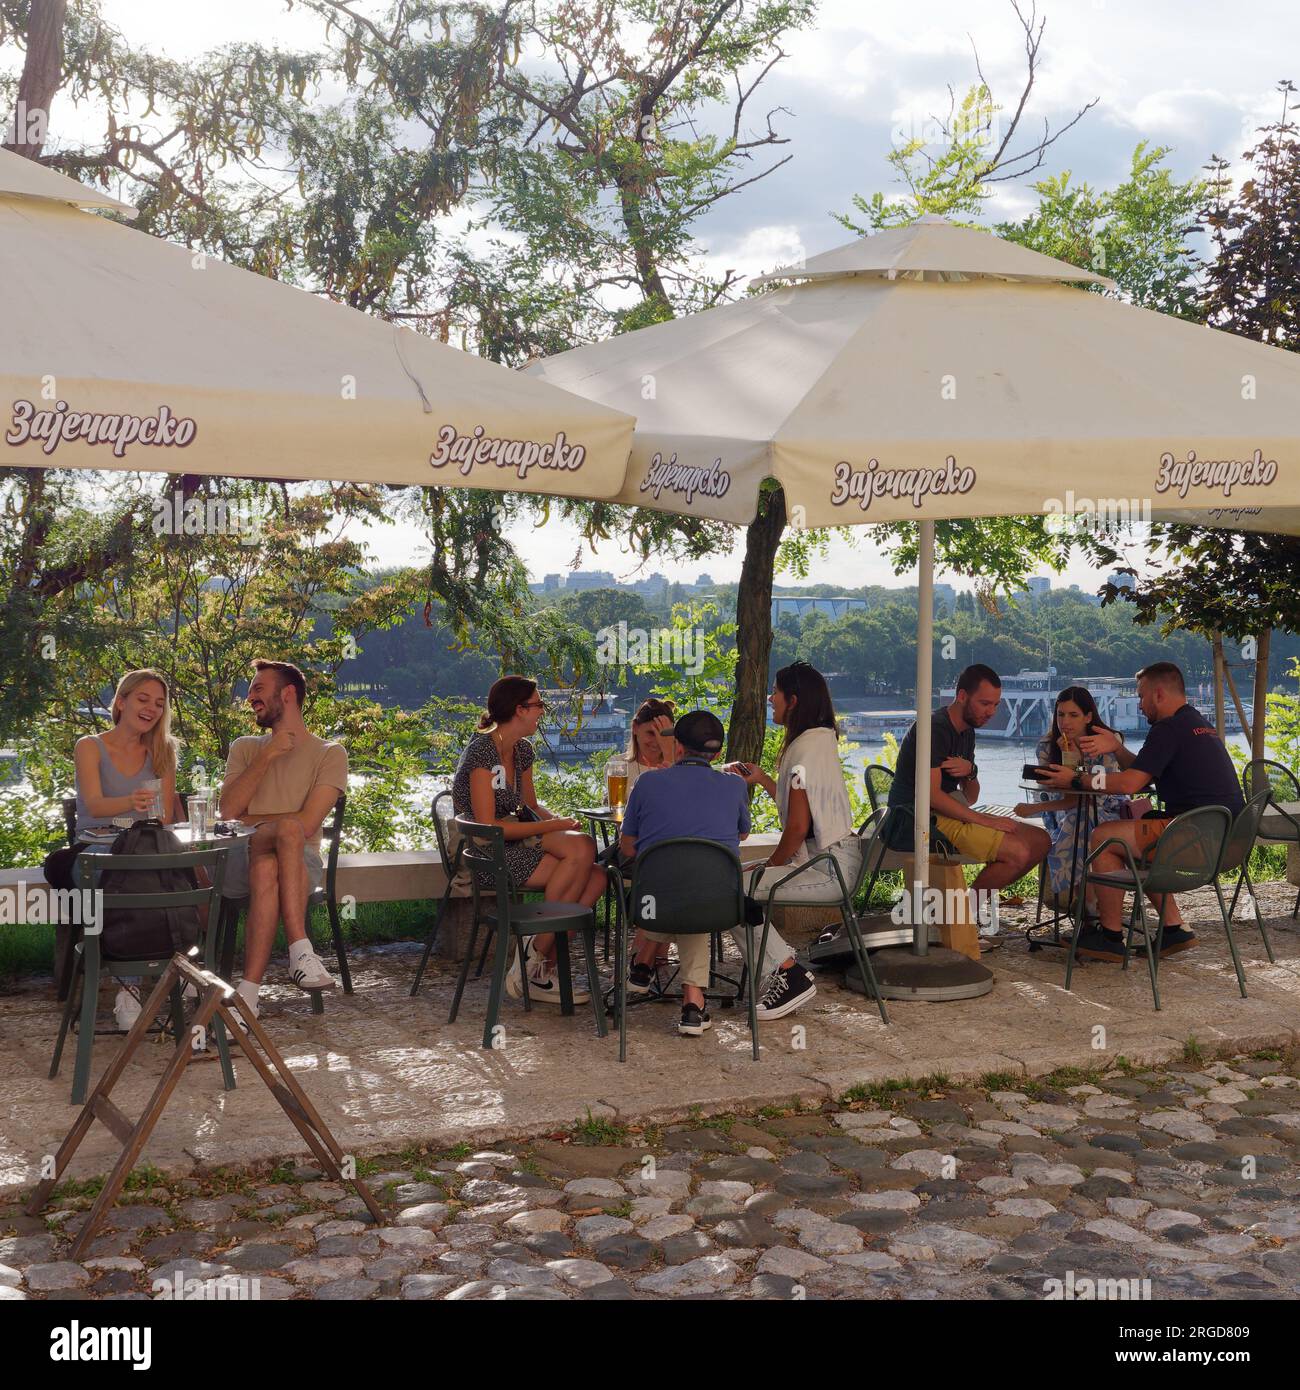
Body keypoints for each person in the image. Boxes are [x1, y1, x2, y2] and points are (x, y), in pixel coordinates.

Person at [1039, 661, 1244, 961]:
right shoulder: (1195, 723)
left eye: (1141, 696)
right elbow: (1144, 771)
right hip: (1229, 838)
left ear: (1158, 694)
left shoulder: (1168, 729)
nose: (1139, 704)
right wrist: (1116, 747)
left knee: (1105, 838)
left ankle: (1108, 936)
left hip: (1197, 839)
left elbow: (1129, 785)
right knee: (1145, 827)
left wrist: (1076, 779)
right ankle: (1174, 928)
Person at [451, 675, 606, 1005]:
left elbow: (530, 807)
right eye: (538, 706)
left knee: (595, 869)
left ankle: (536, 962)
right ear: (519, 709)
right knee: (585, 867)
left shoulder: (522, 750)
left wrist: (556, 821)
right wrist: (553, 827)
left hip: (517, 844)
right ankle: (534, 962)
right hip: (488, 854)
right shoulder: (482, 753)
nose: (541, 712)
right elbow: (489, 825)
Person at [218, 660, 348, 1019]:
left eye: (259, 689)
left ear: (288, 694)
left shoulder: (329, 754)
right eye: (250, 691)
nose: (250, 697)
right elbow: (228, 814)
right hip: (240, 856)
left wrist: (254, 820)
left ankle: (247, 994)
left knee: (274, 858)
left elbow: (306, 825)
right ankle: (300, 950)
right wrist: (269, 753)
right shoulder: (245, 748)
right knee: (282, 833)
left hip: (297, 863)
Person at [886, 664, 1050, 937]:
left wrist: (970, 770)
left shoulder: (967, 731)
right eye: (985, 703)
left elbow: (971, 796)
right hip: (917, 817)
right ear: (962, 696)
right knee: (1017, 852)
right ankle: (963, 916)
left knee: (1041, 842)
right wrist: (986, 820)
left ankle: (960, 912)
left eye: (996, 705)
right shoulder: (935, 728)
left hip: (951, 809)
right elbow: (932, 795)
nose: (991, 712)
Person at [726, 662, 848, 1019]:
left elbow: (796, 828)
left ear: (792, 700)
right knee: (738, 882)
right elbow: (802, 803)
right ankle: (784, 971)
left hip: (826, 869)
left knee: (729, 892)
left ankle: (787, 974)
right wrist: (764, 779)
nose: (770, 698)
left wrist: (770, 865)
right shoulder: (818, 739)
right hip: (834, 859)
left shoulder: (804, 751)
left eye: (775, 692)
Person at [619, 710, 751, 1037]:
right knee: (697, 890)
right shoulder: (735, 786)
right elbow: (743, 835)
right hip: (720, 903)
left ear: (677, 746)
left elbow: (627, 848)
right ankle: (693, 1003)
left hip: (652, 904)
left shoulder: (647, 782)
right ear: (718, 754)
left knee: (682, 888)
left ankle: (644, 963)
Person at [72, 668, 185, 1030]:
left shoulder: (162, 749)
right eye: (143, 699)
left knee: (198, 868)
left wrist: (143, 813)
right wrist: (131, 801)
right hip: (95, 849)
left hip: (143, 846)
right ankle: (131, 989)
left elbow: (165, 815)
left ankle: (184, 971)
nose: (151, 708)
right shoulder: (90, 745)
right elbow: (93, 805)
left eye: (159, 703)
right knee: (141, 873)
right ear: (121, 702)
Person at [1014, 686, 1128, 920]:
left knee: (1085, 819)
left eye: (1073, 715)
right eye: (1060, 715)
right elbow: (1064, 797)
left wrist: (1036, 808)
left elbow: (1100, 788)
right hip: (1063, 812)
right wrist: (1070, 760)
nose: (1065, 722)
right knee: (1080, 819)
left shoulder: (1105, 742)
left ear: (1088, 716)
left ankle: (1086, 904)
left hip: (1106, 807)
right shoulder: (1048, 747)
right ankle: (1091, 906)